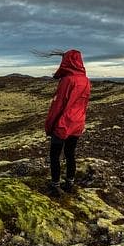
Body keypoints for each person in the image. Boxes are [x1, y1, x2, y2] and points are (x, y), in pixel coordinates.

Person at [44, 49, 91, 197]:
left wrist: (49, 126)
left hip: (63, 124)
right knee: (70, 153)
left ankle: (55, 186)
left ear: (67, 62)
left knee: (54, 155)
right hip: (78, 123)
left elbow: (58, 106)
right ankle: (70, 183)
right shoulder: (86, 80)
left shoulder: (67, 80)